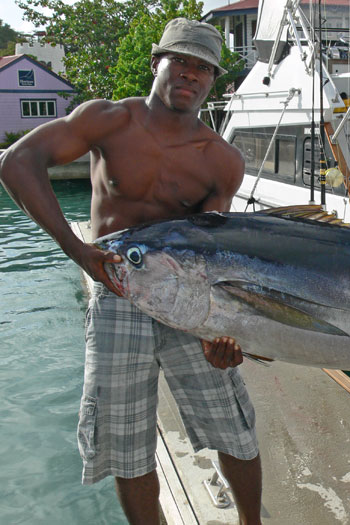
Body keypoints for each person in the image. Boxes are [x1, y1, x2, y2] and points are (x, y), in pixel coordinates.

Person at [0, 18, 262, 525]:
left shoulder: (222, 160)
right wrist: (77, 249)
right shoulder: (107, 120)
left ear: (213, 81)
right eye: (181, 60)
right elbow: (18, 160)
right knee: (125, 443)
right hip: (117, 293)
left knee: (234, 428)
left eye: (203, 68)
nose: (190, 74)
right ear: (155, 61)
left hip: (192, 302)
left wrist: (221, 328)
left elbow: (215, 250)